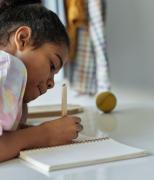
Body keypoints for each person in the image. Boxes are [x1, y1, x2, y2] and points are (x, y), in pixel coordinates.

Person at [0, 0, 83, 162]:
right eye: (52, 65)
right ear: (23, 39)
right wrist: (45, 134)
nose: (51, 83)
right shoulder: (5, 65)